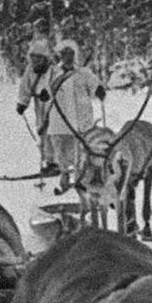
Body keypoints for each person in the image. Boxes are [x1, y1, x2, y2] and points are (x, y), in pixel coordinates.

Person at [43, 39, 106, 190]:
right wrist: (44, 95)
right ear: (60, 55)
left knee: (80, 152)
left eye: (70, 53)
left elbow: (95, 85)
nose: (68, 56)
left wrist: (99, 90)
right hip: (59, 119)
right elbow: (45, 89)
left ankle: (81, 177)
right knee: (60, 150)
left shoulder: (83, 73)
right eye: (64, 53)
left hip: (79, 120)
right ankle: (64, 175)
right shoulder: (53, 73)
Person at [15, 39, 57, 175]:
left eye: (38, 58)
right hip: (39, 105)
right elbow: (25, 87)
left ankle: (57, 161)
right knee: (42, 131)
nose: (35, 61)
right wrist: (22, 103)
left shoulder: (53, 70)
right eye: (32, 58)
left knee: (54, 132)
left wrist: (49, 93)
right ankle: (48, 160)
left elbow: (59, 85)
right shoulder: (30, 71)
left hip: (55, 107)